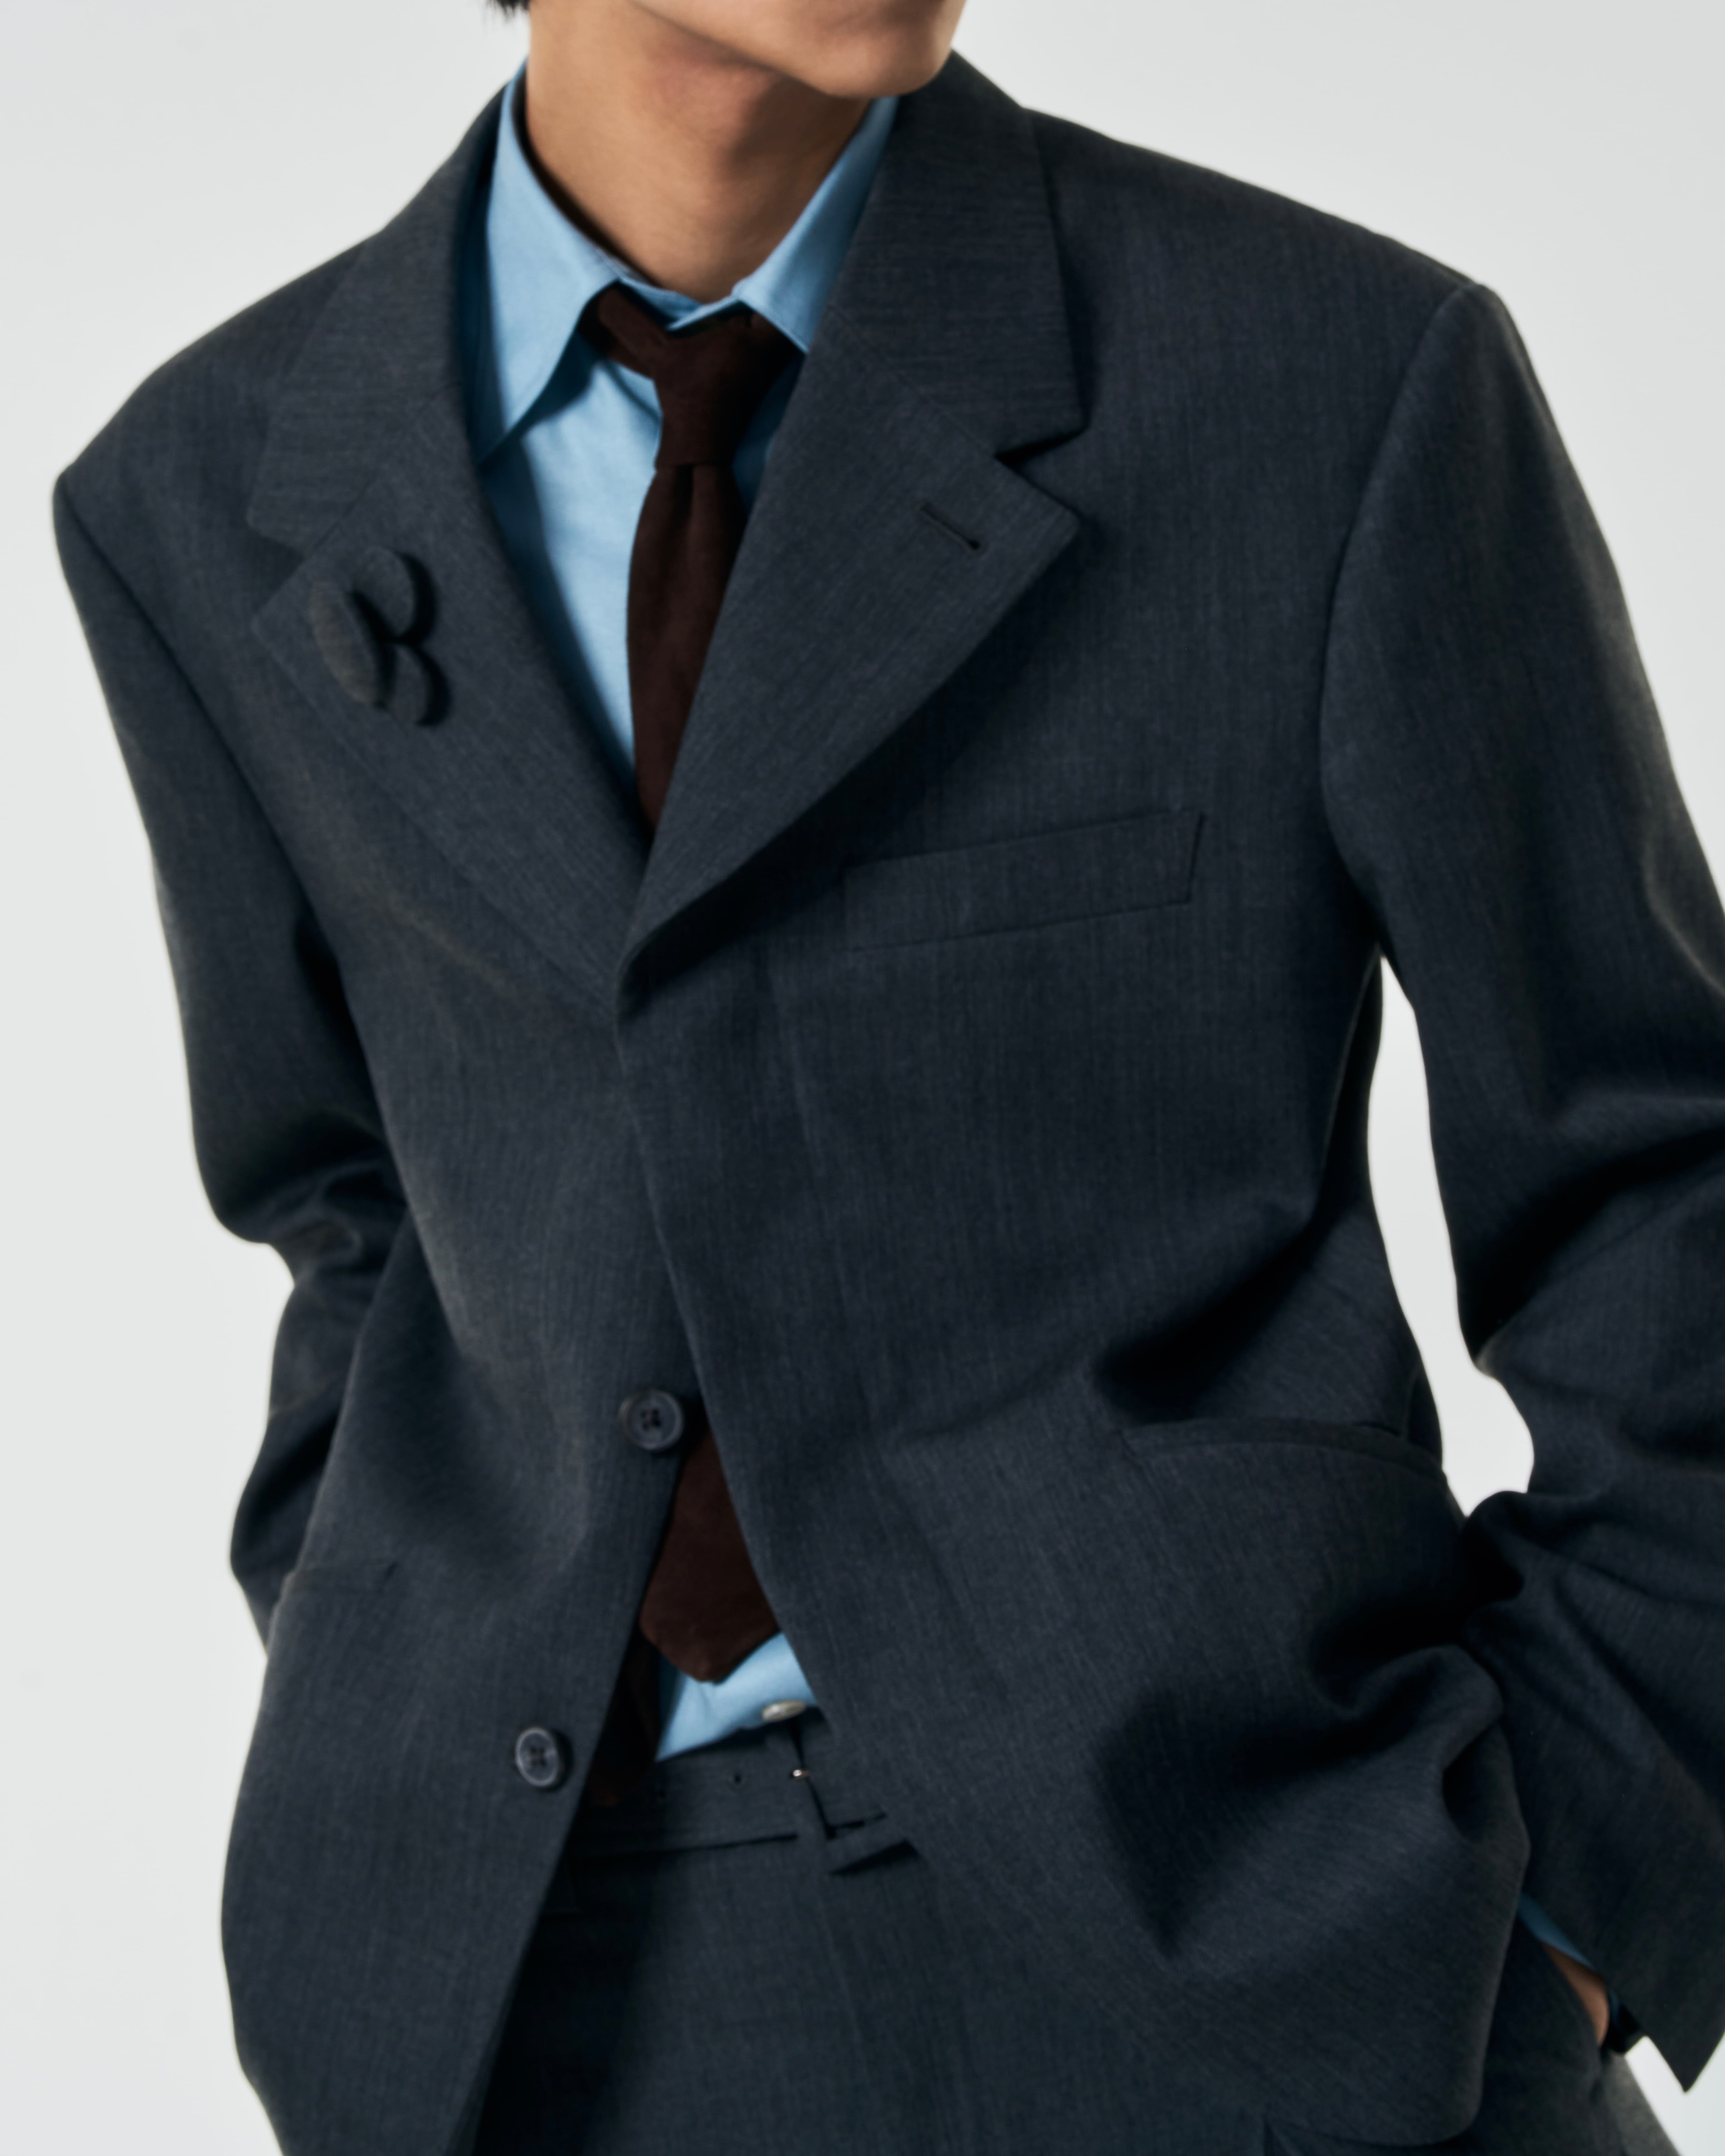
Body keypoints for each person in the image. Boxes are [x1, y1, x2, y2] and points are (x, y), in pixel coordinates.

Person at [53, 0, 1725, 2149]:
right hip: (540, 1991)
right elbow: (346, 1206)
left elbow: (1655, 1176)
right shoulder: (203, 492)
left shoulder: (1325, 373)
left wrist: (1577, 1886)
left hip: (1276, 1940)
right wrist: (381, 1663)